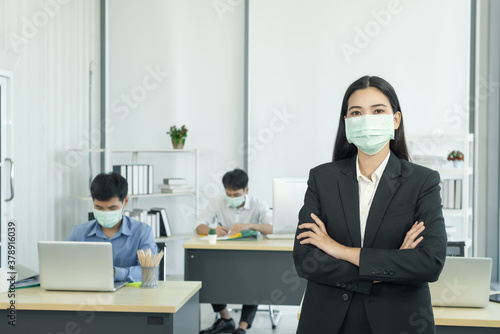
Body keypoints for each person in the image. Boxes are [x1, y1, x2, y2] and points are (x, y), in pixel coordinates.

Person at [293, 76, 447, 334]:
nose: (366, 119)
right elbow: (307, 259)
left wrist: (337, 249)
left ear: (395, 120)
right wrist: (391, 266)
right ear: (346, 123)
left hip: (399, 322)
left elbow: (429, 263)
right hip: (328, 322)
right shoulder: (322, 178)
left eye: (377, 111)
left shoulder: (422, 181)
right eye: (356, 112)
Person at [195, 168, 273, 334]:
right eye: (228, 194)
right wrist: (212, 231)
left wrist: (251, 225)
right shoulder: (218, 202)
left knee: (255, 280)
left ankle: (242, 327)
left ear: (246, 190)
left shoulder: (259, 204)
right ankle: (225, 319)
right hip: (226, 255)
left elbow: (272, 228)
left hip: (252, 259)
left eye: (236, 195)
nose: (231, 198)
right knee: (209, 274)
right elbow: (199, 225)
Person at [67, 172, 157, 282]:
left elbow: (147, 273)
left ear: (125, 201)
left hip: (130, 296)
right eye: (99, 207)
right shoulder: (79, 232)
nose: (105, 212)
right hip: (87, 292)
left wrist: (115, 273)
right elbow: (62, 265)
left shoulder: (142, 232)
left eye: (112, 208)